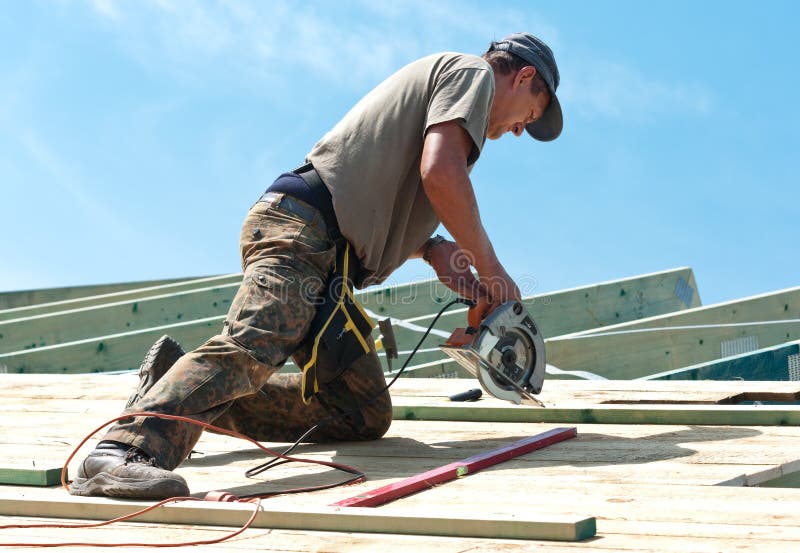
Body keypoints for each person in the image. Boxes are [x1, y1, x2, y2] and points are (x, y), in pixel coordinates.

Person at [69, 32, 563, 499]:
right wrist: (492, 271)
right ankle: (123, 449)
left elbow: (381, 195)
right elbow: (440, 174)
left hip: (331, 261)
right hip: (301, 228)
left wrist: (433, 251)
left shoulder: (454, 102)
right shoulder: (471, 73)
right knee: (255, 345)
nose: (519, 129)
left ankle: (172, 383)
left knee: (362, 412)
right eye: (530, 113)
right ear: (521, 77)